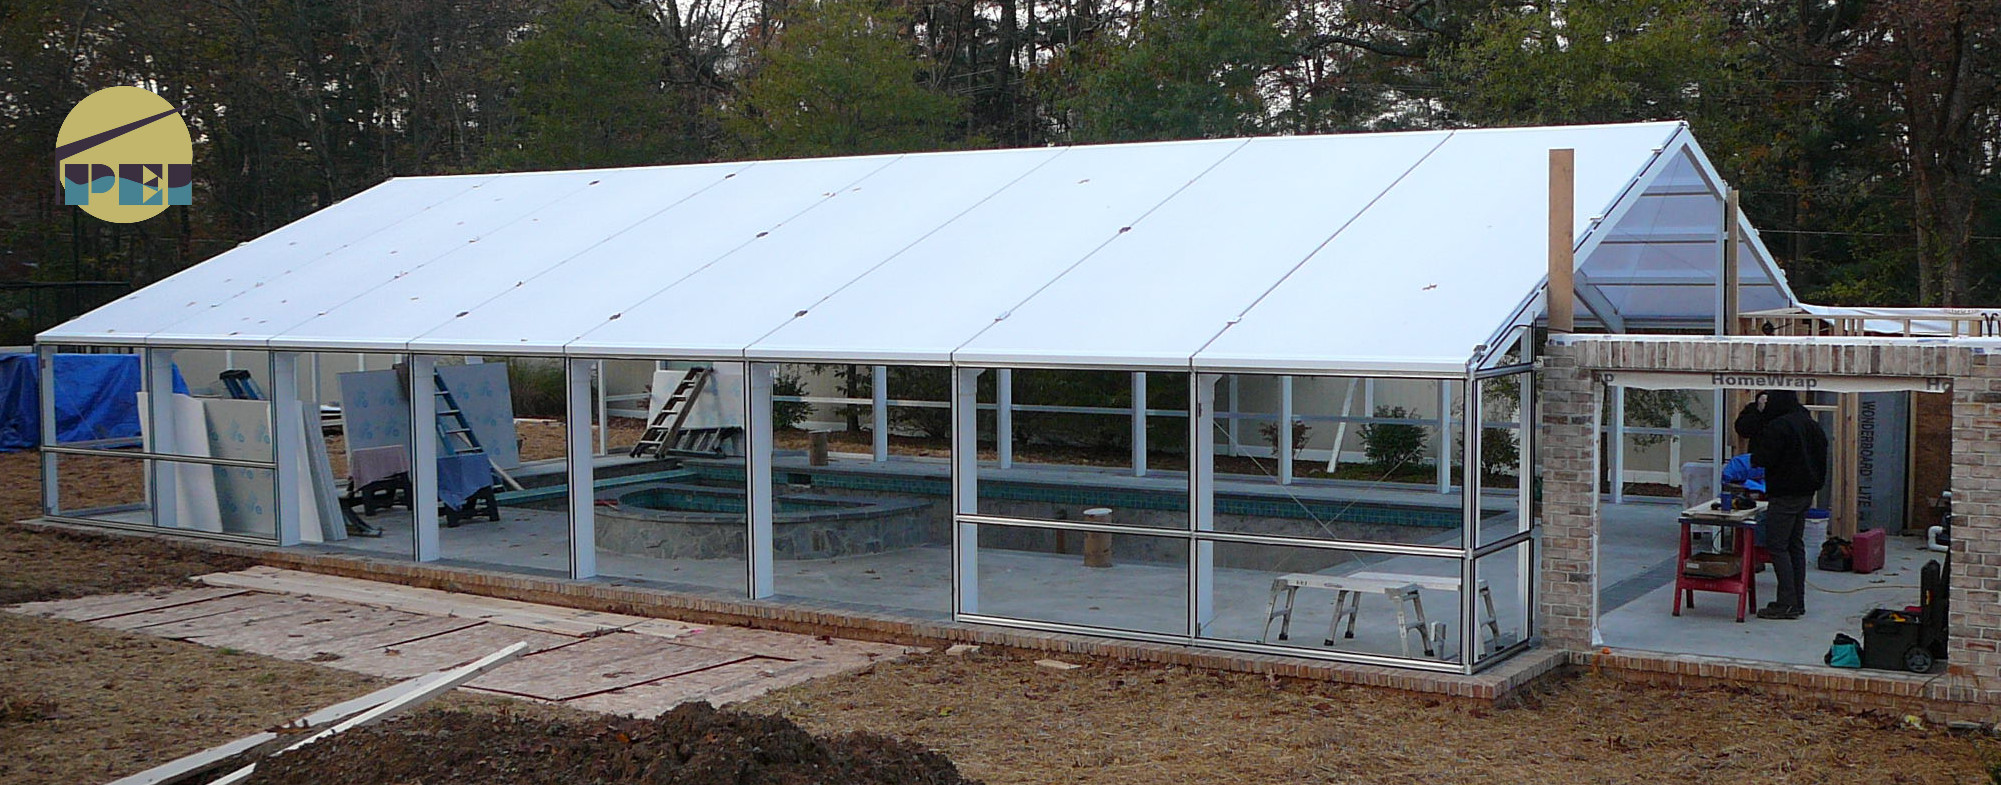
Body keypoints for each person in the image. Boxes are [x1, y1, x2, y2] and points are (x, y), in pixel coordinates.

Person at [1750, 390, 1829, 620]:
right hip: (1806, 493)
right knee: (1795, 544)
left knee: (1777, 546)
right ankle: (1797, 601)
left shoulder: (1779, 426)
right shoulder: (1809, 423)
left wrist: (1761, 425)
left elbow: (1761, 458)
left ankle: (1786, 602)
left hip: (1785, 493)